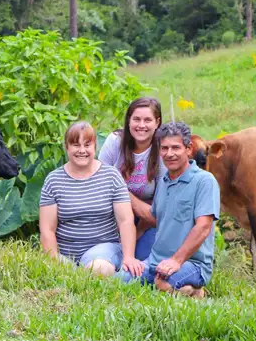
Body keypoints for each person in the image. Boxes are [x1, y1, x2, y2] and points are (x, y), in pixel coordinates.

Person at [119, 122, 220, 298]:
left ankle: (195, 291)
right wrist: (123, 192)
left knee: (162, 283)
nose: (169, 154)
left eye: (176, 148)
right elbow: (152, 217)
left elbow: (203, 227)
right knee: (120, 280)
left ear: (189, 149)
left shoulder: (204, 181)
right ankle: (185, 290)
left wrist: (176, 260)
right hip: (155, 261)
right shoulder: (164, 181)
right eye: (164, 148)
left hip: (192, 264)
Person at [39, 121, 143, 278]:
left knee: (98, 269)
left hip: (103, 250)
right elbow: (47, 229)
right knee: (61, 274)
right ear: (66, 147)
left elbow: (126, 221)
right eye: (75, 145)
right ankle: (78, 276)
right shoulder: (53, 180)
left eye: (87, 145)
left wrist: (128, 257)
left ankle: (89, 276)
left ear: (95, 147)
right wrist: (53, 259)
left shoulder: (111, 176)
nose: (82, 150)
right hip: (66, 252)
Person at [98, 97, 166, 261]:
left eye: (147, 120)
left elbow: (160, 210)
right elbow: (98, 183)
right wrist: (130, 200)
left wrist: (139, 231)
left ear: (157, 122)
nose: (141, 125)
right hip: (111, 216)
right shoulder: (115, 142)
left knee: (144, 259)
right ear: (128, 120)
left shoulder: (163, 149)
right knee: (108, 259)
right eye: (136, 119)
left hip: (146, 222)